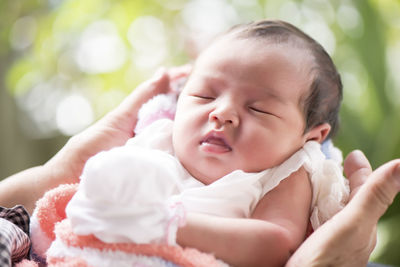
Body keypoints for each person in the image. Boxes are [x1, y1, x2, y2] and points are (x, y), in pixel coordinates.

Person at [0, 20, 399, 267]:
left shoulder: (286, 171)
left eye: (259, 109)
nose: (221, 113)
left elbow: (274, 244)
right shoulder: (156, 138)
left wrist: (165, 223)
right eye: (205, 96)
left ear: (311, 136)